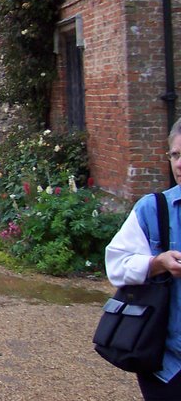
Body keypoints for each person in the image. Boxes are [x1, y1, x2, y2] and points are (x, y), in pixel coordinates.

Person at [106, 118, 181, 399]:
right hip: (167, 362)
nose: (179, 164)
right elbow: (116, 265)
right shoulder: (153, 209)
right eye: (175, 154)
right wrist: (156, 263)